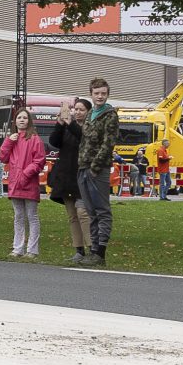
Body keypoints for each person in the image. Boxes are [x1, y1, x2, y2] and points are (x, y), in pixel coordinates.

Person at [0, 104, 48, 259]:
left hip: (28, 183)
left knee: (32, 216)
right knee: (18, 216)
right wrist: (8, 142)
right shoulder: (12, 139)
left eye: (25, 118)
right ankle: (18, 248)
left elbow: (39, 161)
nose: (22, 120)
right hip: (15, 183)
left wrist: (25, 174)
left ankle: (32, 250)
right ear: (15, 121)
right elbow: (2, 157)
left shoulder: (35, 139)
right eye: (19, 117)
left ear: (29, 121)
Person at [78, 79, 120, 263]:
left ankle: (100, 252)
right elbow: (84, 141)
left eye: (103, 93)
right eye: (97, 93)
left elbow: (108, 144)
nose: (100, 96)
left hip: (98, 169)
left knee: (102, 210)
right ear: (91, 94)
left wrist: (95, 167)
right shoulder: (90, 114)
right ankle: (93, 249)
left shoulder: (110, 115)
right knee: (90, 211)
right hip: (83, 166)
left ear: (108, 94)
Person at [47, 100, 91, 263]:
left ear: (88, 112)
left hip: (83, 176)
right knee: (72, 215)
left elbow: (83, 138)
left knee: (83, 213)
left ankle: (92, 248)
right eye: (75, 109)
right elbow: (54, 142)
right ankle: (79, 250)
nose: (78, 112)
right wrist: (60, 123)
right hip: (66, 176)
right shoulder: (66, 127)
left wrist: (70, 123)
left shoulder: (89, 127)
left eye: (81, 109)